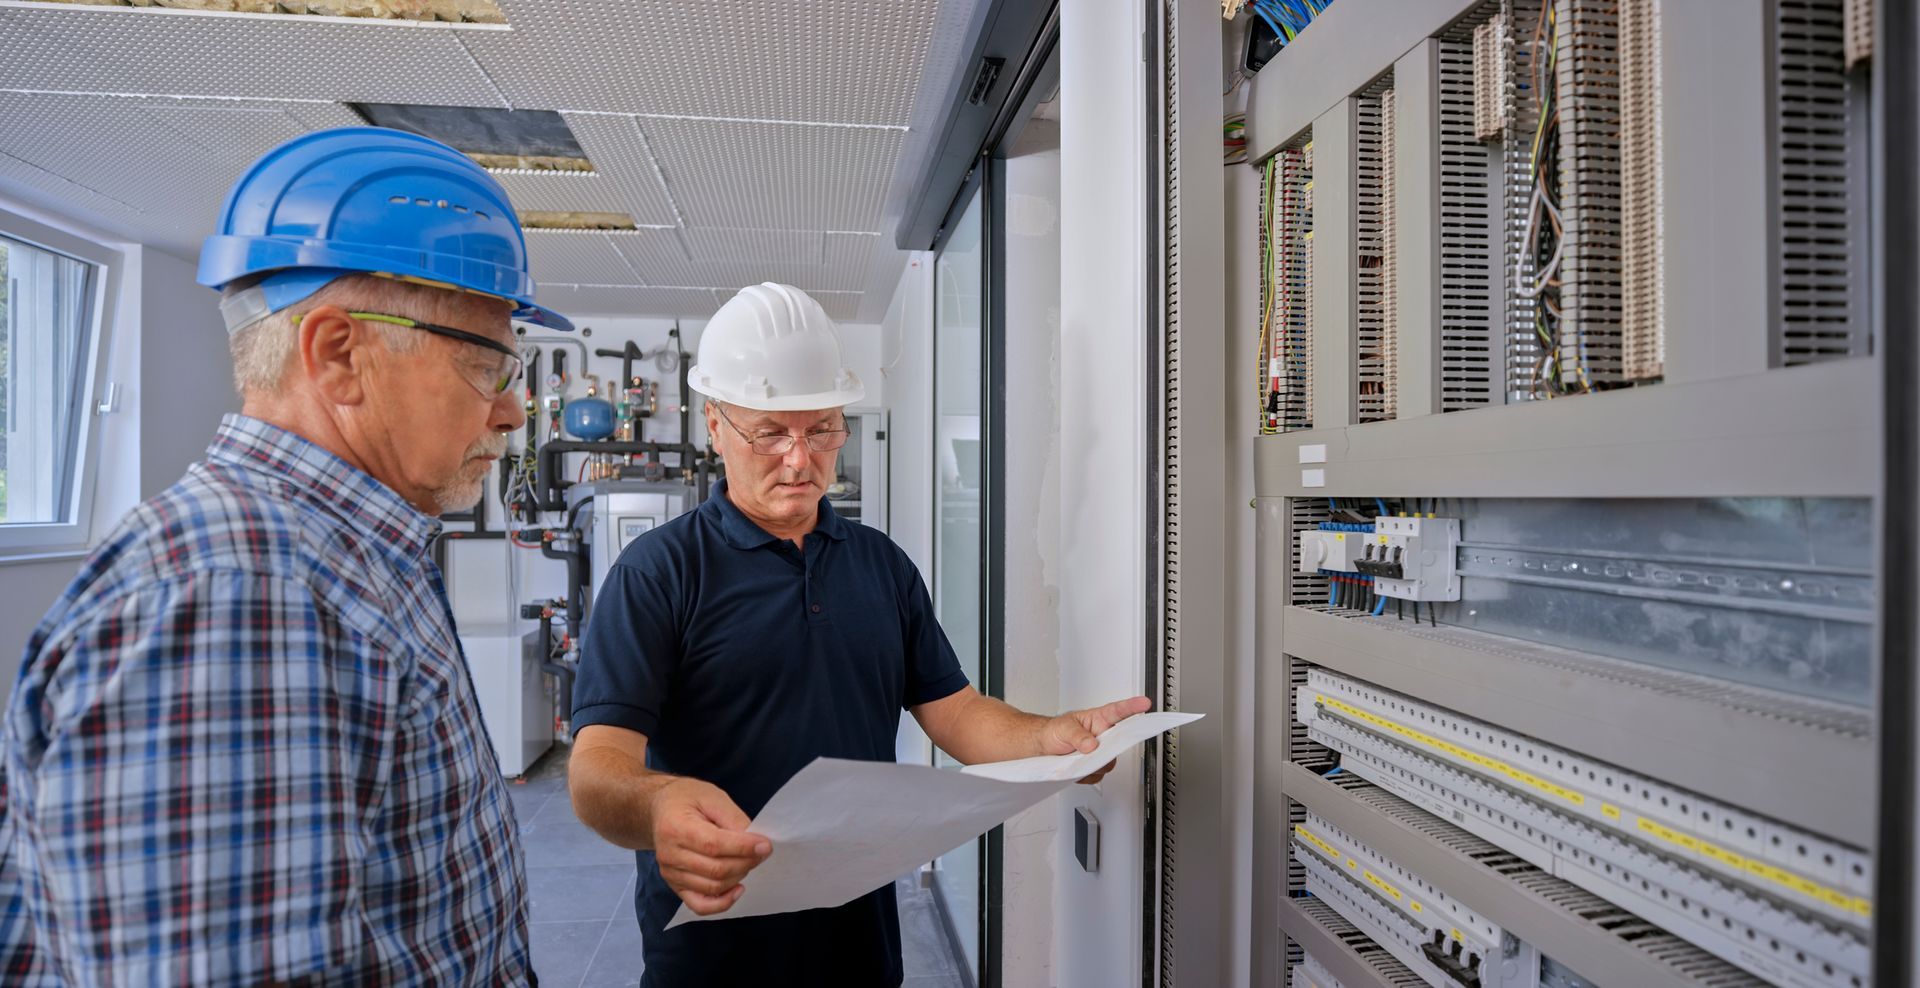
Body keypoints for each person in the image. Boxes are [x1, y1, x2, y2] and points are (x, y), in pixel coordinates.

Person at [0, 127, 568, 984]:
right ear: (340, 355)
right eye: (488, 364)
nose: (512, 412)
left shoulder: (345, 559)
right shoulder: (241, 593)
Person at [567, 282, 1152, 986]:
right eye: (770, 432)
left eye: (820, 431)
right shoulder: (658, 573)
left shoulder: (882, 565)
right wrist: (659, 805)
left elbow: (958, 714)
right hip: (714, 947)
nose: (798, 458)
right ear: (714, 425)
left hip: (859, 943)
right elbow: (597, 769)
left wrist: (1049, 739)